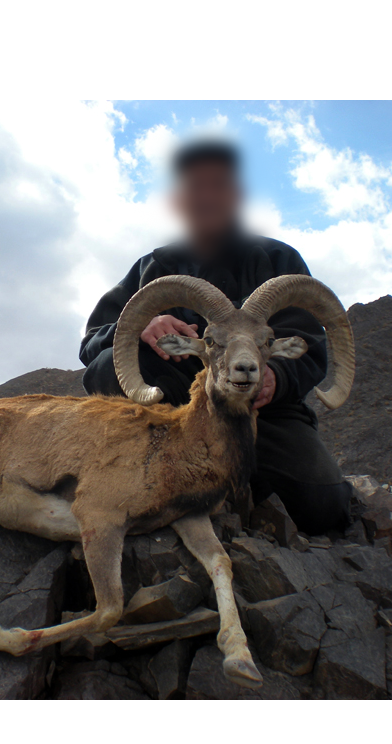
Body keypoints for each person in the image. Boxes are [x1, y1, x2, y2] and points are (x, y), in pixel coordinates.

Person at [79, 139, 352, 536]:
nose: (206, 197)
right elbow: (93, 340)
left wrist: (278, 378)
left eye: (218, 186)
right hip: (178, 413)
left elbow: (307, 339)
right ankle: (141, 480)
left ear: (236, 195)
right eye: (195, 188)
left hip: (261, 408)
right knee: (108, 367)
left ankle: (234, 486)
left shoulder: (278, 262)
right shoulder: (154, 268)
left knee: (324, 508)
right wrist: (140, 326)